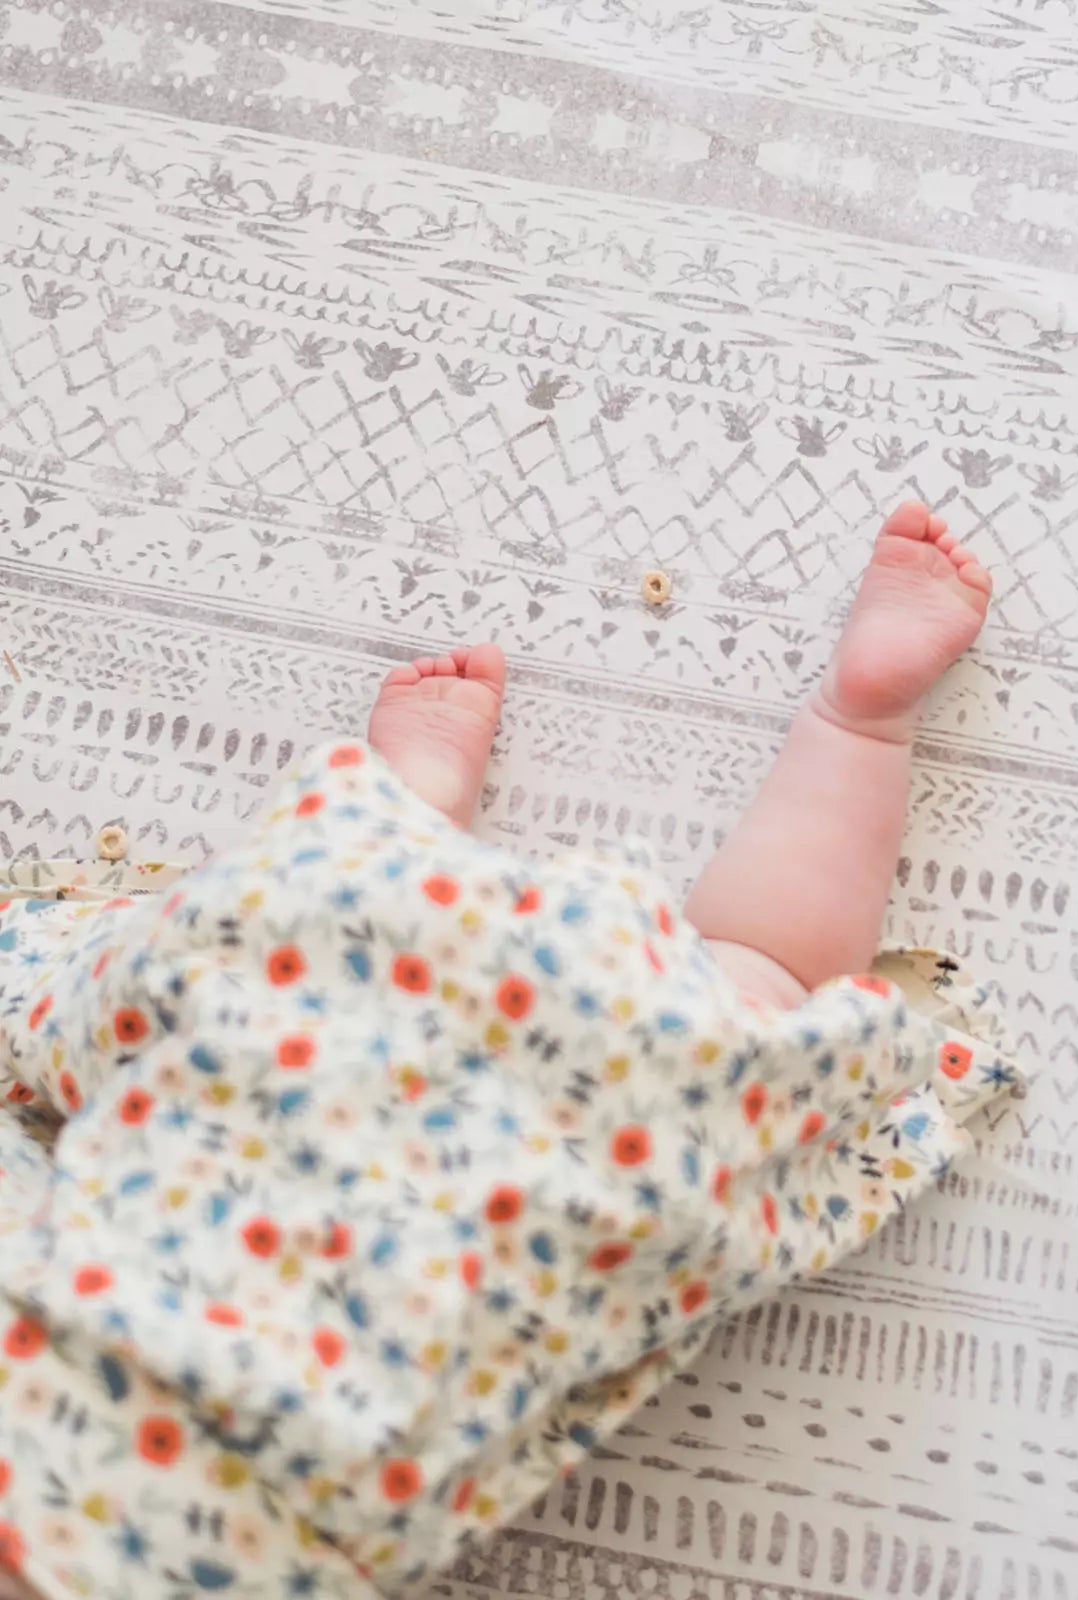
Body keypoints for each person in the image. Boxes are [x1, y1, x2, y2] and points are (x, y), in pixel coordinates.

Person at [0, 503, 1021, 1599]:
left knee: (752, 992)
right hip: (309, 1004)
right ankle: (405, 815)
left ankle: (856, 721)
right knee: (177, 980)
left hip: (551, 1184)